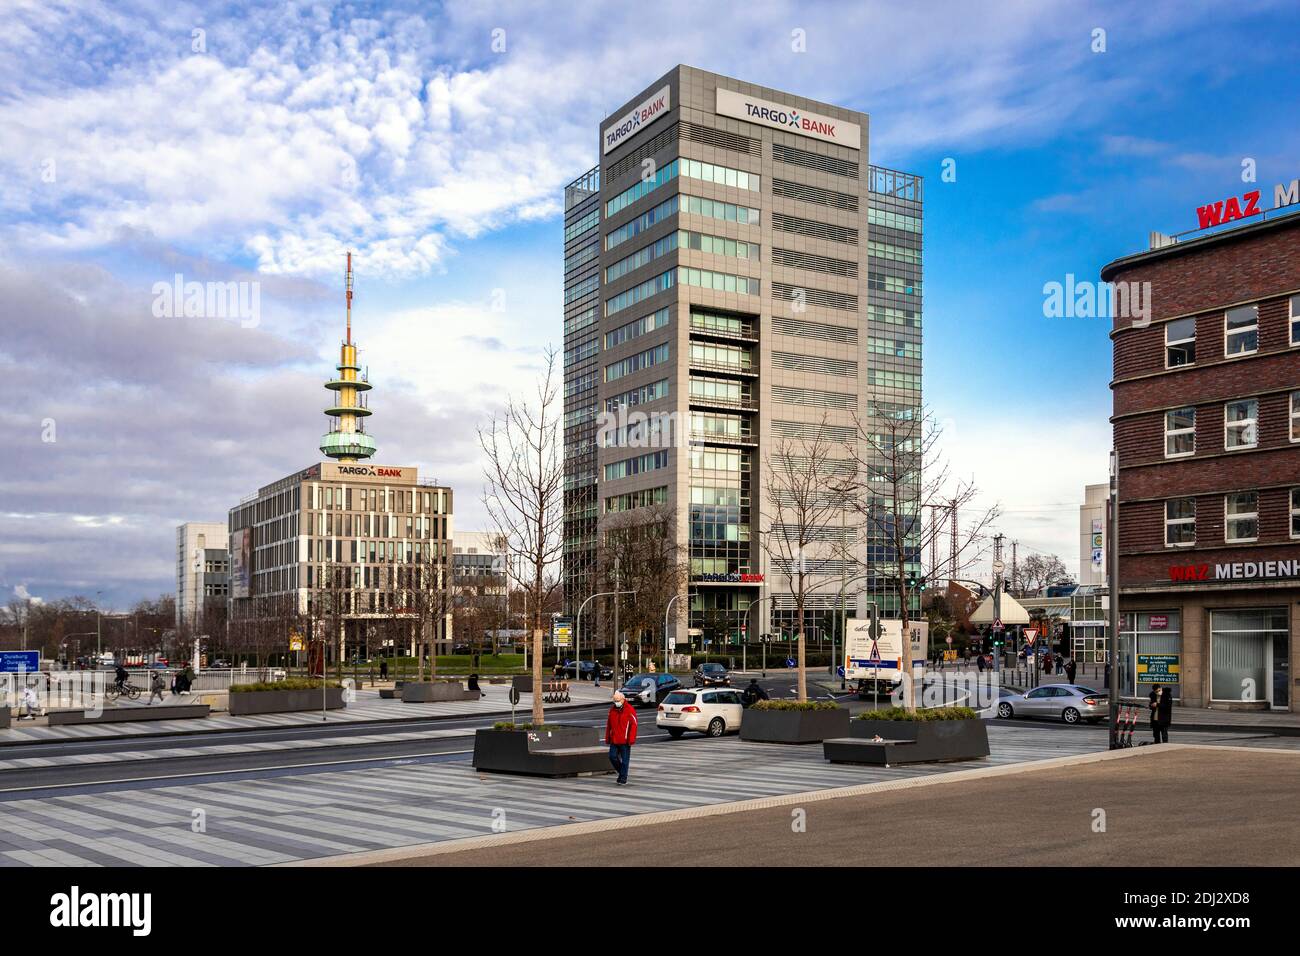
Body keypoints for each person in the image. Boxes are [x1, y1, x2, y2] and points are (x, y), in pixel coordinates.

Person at [604, 691, 638, 786]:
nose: (616, 702)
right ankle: (622, 773)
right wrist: (607, 738)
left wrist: (631, 739)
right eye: (614, 700)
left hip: (625, 740)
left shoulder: (629, 709)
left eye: (618, 700)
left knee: (625, 760)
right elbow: (609, 725)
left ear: (623, 700)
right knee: (612, 757)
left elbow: (634, 725)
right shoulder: (612, 710)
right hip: (614, 740)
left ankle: (623, 778)